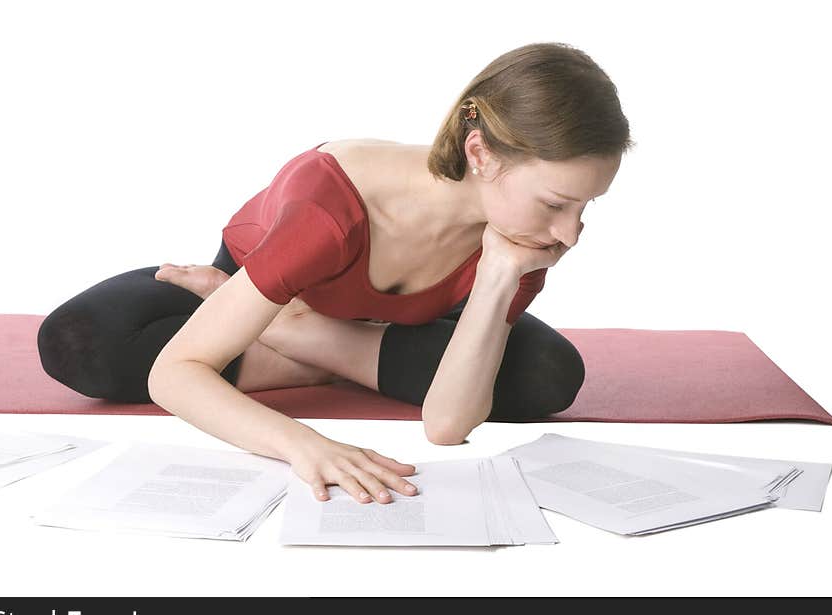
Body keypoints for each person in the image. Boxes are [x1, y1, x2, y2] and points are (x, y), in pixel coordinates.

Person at [37, 41, 633, 505]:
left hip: (340, 318)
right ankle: (262, 319)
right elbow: (174, 375)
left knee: (550, 374)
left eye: (586, 208)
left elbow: (447, 426)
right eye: (557, 204)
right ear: (480, 154)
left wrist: (500, 274)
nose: (569, 235)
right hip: (269, 279)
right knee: (82, 343)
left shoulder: (518, 240)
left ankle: (290, 337)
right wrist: (305, 446)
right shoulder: (331, 210)